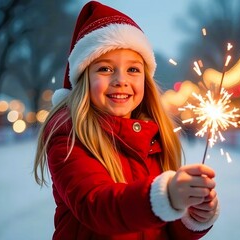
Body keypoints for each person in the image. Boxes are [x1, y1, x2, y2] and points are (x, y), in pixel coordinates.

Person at [33, 1, 219, 239]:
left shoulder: (154, 138)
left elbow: (162, 230)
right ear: (83, 78)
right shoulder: (69, 137)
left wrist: (191, 216)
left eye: (133, 70)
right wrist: (167, 195)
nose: (121, 80)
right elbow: (98, 207)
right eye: (105, 69)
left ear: (145, 79)